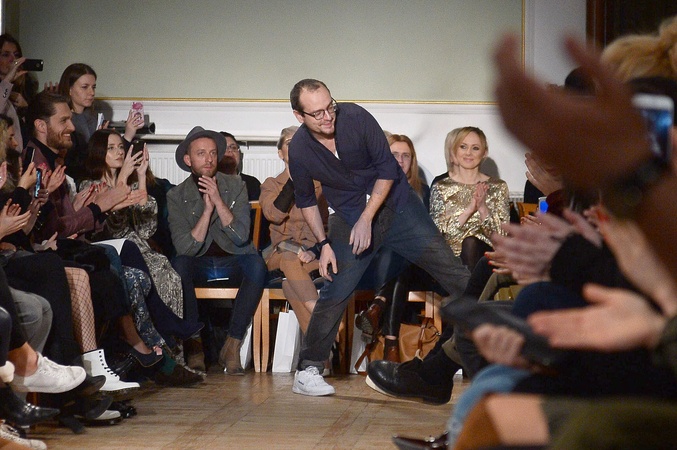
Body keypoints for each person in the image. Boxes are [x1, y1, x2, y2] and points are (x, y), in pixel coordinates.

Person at [287, 79, 470, 396]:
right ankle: (308, 370)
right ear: (299, 116)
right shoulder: (300, 149)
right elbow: (305, 200)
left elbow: (387, 170)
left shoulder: (356, 118)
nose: (328, 117)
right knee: (336, 289)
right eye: (317, 113)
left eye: (330, 106)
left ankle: (516, 340)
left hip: (398, 207)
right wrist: (325, 244)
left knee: (454, 273)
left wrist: (367, 218)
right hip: (348, 216)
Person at [168, 126, 266, 375]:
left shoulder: (236, 186)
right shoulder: (176, 195)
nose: (209, 159)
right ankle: (195, 346)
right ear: (188, 160)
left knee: (256, 264)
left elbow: (241, 237)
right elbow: (185, 247)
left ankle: (232, 345)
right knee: (179, 265)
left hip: (232, 260)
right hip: (198, 263)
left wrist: (219, 201)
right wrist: (207, 210)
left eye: (212, 153)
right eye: (201, 153)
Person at [355, 133, 435, 361]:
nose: (400, 160)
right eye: (394, 155)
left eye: (406, 156)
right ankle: (391, 344)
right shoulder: (372, 190)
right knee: (396, 260)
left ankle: (377, 307)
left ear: (412, 161)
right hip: (377, 262)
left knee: (401, 256)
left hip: (417, 264)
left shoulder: (423, 192)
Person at [259, 126, 327, 334]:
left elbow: (328, 225)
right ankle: (321, 318)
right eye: (290, 143)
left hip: (312, 254)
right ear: (281, 153)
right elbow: (273, 215)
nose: (297, 147)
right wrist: (293, 180)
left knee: (290, 285)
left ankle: (318, 349)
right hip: (280, 253)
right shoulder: (271, 184)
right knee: (290, 259)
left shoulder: (321, 185)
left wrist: (314, 250)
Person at [429, 126, 510, 271]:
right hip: (450, 261)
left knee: (471, 242)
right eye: (463, 147)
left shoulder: (498, 187)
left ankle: (470, 286)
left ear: (484, 153)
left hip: (486, 259)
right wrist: (470, 209)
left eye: (475, 148)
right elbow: (439, 237)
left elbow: (501, 238)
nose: (468, 153)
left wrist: (483, 208)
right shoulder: (441, 187)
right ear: (454, 151)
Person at [56, 63, 143, 184]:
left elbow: (113, 156)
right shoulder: (65, 122)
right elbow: (76, 164)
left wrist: (128, 135)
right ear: (69, 89)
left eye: (93, 87)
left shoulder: (93, 119)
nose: (91, 92)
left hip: (105, 176)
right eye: (85, 87)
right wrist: (97, 142)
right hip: (83, 180)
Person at [217, 132, 261, 201]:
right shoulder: (210, 183)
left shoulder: (252, 183)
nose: (230, 151)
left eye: (233, 147)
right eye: (225, 148)